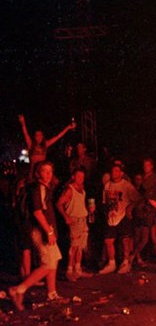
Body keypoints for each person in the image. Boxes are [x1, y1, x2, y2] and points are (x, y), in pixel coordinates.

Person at [8, 162, 63, 310]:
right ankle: (18, 290)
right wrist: (49, 231)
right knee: (48, 264)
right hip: (41, 231)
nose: (48, 174)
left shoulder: (43, 187)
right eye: (44, 171)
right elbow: (37, 212)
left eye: (50, 171)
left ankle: (52, 293)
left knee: (54, 259)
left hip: (45, 230)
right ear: (38, 173)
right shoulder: (38, 188)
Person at [99, 162, 140, 275]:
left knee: (125, 239)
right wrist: (107, 211)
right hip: (111, 216)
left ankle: (126, 262)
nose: (114, 173)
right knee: (108, 240)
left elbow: (138, 199)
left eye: (117, 171)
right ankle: (112, 263)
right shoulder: (107, 185)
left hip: (123, 215)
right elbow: (105, 201)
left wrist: (130, 208)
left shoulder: (126, 185)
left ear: (121, 173)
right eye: (113, 171)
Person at [56, 167, 93, 280]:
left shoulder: (82, 189)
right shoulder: (70, 189)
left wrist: (89, 210)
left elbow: (79, 204)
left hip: (82, 219)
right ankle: (69, 270)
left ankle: (78, 269)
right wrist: (66, 217)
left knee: (80, 246)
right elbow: (59, 204)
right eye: (78, 176)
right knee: (74, 246)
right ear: (73, 177)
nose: (81, 179)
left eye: (82, 176)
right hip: (75, 220)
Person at [18, 114, 76, 180]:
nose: (38, 137)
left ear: (42, 136)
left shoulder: (45, 144)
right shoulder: (30, 144)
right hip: (33, 174)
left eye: (40, 135)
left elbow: (58, 136)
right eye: (37, 135)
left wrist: (68, 128)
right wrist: (23, 123)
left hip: (43, 173)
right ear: (34, 137)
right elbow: (25, 133)